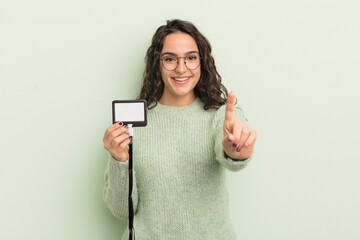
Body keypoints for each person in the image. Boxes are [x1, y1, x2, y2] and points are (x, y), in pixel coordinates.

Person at [103, 19, 257, 240]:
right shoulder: (133, 123)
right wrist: (119, 160)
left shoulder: (221, 116)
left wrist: (237, 149)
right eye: (170, 59)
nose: (181, 68)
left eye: (191, 58)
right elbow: (121, 210)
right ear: (157, 64)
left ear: (202, 63)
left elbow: (235, 150)